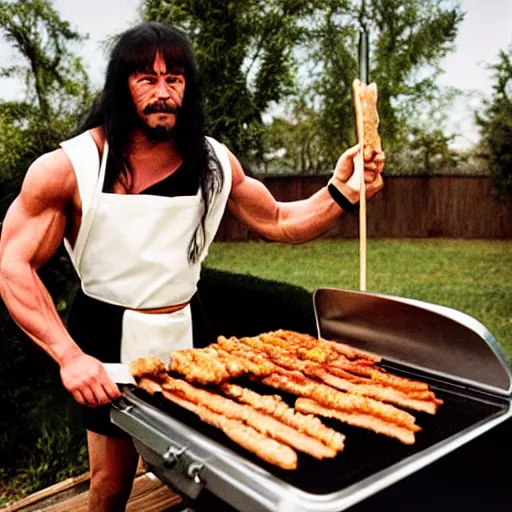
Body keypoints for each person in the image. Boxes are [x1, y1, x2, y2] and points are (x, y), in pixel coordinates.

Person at [0, 21, 384, 512]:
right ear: (122, 85)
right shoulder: (68, 168)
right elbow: (13, 265)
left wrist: (343, 190)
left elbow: (282, 220)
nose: (163, 92)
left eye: (174, 78)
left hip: (188, 336)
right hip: (104, 339)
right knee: (110, 483)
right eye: (147, 79)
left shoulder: (214, 161)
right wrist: (69, 357)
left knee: (195, 477)